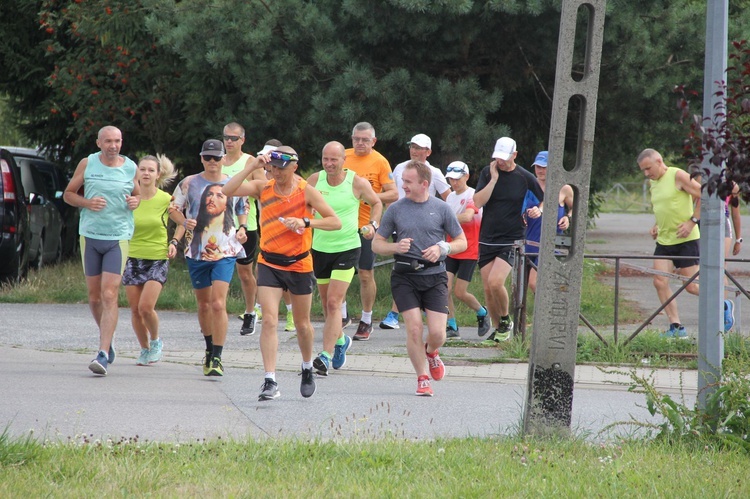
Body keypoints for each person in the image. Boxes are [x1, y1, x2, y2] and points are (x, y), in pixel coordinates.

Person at [222, 146, 341, 401]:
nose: (276, 172)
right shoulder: (262, 187)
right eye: (273, 167)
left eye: (281, 168)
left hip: (298, 264)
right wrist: (252, 167)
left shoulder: (306, 192)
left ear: (294, 167)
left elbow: (334, 221)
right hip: (269, 263)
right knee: (271, 320)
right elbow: (226, 190)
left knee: (303, 325)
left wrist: (307, 222)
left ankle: (307, 366)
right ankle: (270, 380)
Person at [372, 160, 466, 396]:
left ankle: (432, 352)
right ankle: (422, 377)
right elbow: (376, 244)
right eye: (403, 180)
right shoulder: (396, 209)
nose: (403, 185)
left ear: (424, 184)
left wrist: (443, 248)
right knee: (413, 328)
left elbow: (461, 242)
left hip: (434, 276)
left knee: (438, 334)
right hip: (405, 277)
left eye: (407, 182)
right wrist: (396, 248)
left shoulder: (442, 208)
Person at [63, 125, 140, 376]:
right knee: (94, 297)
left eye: (117, 141)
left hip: (117, 237)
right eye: (108, 141)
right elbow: (68, 195)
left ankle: (103, 353)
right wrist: (87, 203)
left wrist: (134, 201)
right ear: (98, 143)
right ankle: (108, 339)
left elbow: (137, 194)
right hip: (91, 236)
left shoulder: (130, 167)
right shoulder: (88, 164)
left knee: (109, 294)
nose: (113, 146)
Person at [170, 139, 248, 377]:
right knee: (204, 304)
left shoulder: (232, 183)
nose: (212, 162)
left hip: (225, 250)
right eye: (208, 157)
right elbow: (174, 208)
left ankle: (218, 356)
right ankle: (208, 349)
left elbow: (242, 209)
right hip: (196, 251)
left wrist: (243, 228)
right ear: (201, 158)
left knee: (218, 303)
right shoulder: (189, 183)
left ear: (224, 158)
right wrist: (183, 222)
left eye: (216, 157)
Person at [307, 141, 383, 376]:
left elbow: (377, 202)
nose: (329, 164)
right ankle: (341, 341)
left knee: (333, 303)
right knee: (326, 304)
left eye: (334, 159)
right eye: (325, 159)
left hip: (348, 248)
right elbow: (306, 206)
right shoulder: (313, 180)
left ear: (343, 160)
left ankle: (325, 355)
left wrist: (372, 225)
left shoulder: (356, 182)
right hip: (320, 249)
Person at [473, 137, 544, 343]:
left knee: (496, 282)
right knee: (488, 287)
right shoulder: (488, 172)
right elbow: (477, 202)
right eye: (497, 158)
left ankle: (506, 321)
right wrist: (493, 180)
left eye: (505, 158)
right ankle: (498, 330)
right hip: (487, 237)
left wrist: (536, 210)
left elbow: (543, 198)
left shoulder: (524, 176)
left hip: (512, 237)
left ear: (514, 155)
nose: (501, 162)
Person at [381, 133, 451, 330]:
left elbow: (448, 198)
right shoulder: (399, 167)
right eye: (412, 145)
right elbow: (394, 193)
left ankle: (442, 320)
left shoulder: (434, 172)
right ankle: (395, 314)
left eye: (419, 147)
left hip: (427, 225)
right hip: (401, 222)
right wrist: (391, 216)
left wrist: (441, 217)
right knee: (404, 265)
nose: (414, 150)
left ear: (428, 152)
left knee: (422, 266)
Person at [123, 154, 183, 366]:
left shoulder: (166, 199)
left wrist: (174, 242)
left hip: (157, 258)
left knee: (146, 307)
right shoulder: (129, 199)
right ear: (137, 173)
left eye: (150, 170)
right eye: (143, 169)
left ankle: (156, 341)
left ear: (158, 174)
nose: (146, 173)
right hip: (132, 258)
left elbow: (182, 222)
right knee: (135, 310)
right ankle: (145, 349)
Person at [637, 148, 701, 339]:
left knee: (691, 286)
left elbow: (705, 197)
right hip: (665, 240)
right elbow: (664, 206)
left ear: (659, 161)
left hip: (686, 239)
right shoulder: (653, 183)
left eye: (649, 168)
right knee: (659, 281)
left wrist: (692, 222)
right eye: (643, 171)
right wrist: (656, 224)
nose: (647, 173)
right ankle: (676, 327)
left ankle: (722, 304)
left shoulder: (678, 175)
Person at [342, 122, 398, 340]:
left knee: (365, 274)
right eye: (356, 139)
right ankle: (342, 315)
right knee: (340, 274)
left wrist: (369, 196)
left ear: (373, 141)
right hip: (342, 225)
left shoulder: (380, 161)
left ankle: (366, 319)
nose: (360, 143)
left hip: (366, 226)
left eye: (365, 140)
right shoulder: (343, 156)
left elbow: (392, 194)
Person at [221, 122, 266, 336]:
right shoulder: (217, 161)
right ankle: (215, 311)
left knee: (245, 272)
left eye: (234, 138)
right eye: (226, 137)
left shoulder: (251, 162)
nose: (229, 141)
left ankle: (250, 312)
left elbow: (265, 191)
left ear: (242, 140)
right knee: (217, 268)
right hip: (218, 225)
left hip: (246, 225)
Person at [443, 161, 490, 339]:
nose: (454, 183)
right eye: (451, 179)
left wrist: (447, 219)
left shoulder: (473, 195)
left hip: (469, 248)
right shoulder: (449, 197)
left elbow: (469, 216)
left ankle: (481, 312)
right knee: (444, 289)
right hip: (451, 247)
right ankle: (451, 325)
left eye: (457, 179)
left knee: (460, 292)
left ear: (467, 177)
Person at [523, 151, 574, 293]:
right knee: (522, 285)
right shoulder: (527, 186)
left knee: (534, 283)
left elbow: (577, 207)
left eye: (544, 167)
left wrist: (567, 217)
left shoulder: (563, 188)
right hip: (528, 241)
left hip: (552, 243)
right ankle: (532, 313)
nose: (540, 170)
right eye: (538, 166)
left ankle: (547, 312)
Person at [723, 185, 742, 331]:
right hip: (699, 224)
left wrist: (738, 239)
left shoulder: (732, 185)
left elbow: (736, 213)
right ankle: (720, 303)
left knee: (719, 267)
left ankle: (723, 307)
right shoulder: (699, 175)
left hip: (722, 223)